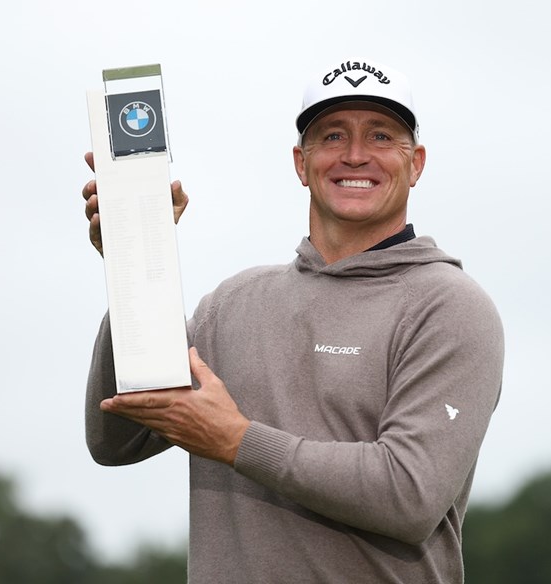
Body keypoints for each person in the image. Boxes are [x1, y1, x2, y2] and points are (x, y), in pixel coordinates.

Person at [82, 58, 504, 583]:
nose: (355, 155)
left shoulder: (449, 307)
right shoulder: (233, 304)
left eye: (380, 135)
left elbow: (409, 494)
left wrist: (237, 441)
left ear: (415, 163)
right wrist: (135, 262)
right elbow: (116, 439)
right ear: (301, 163)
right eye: (332, 136)